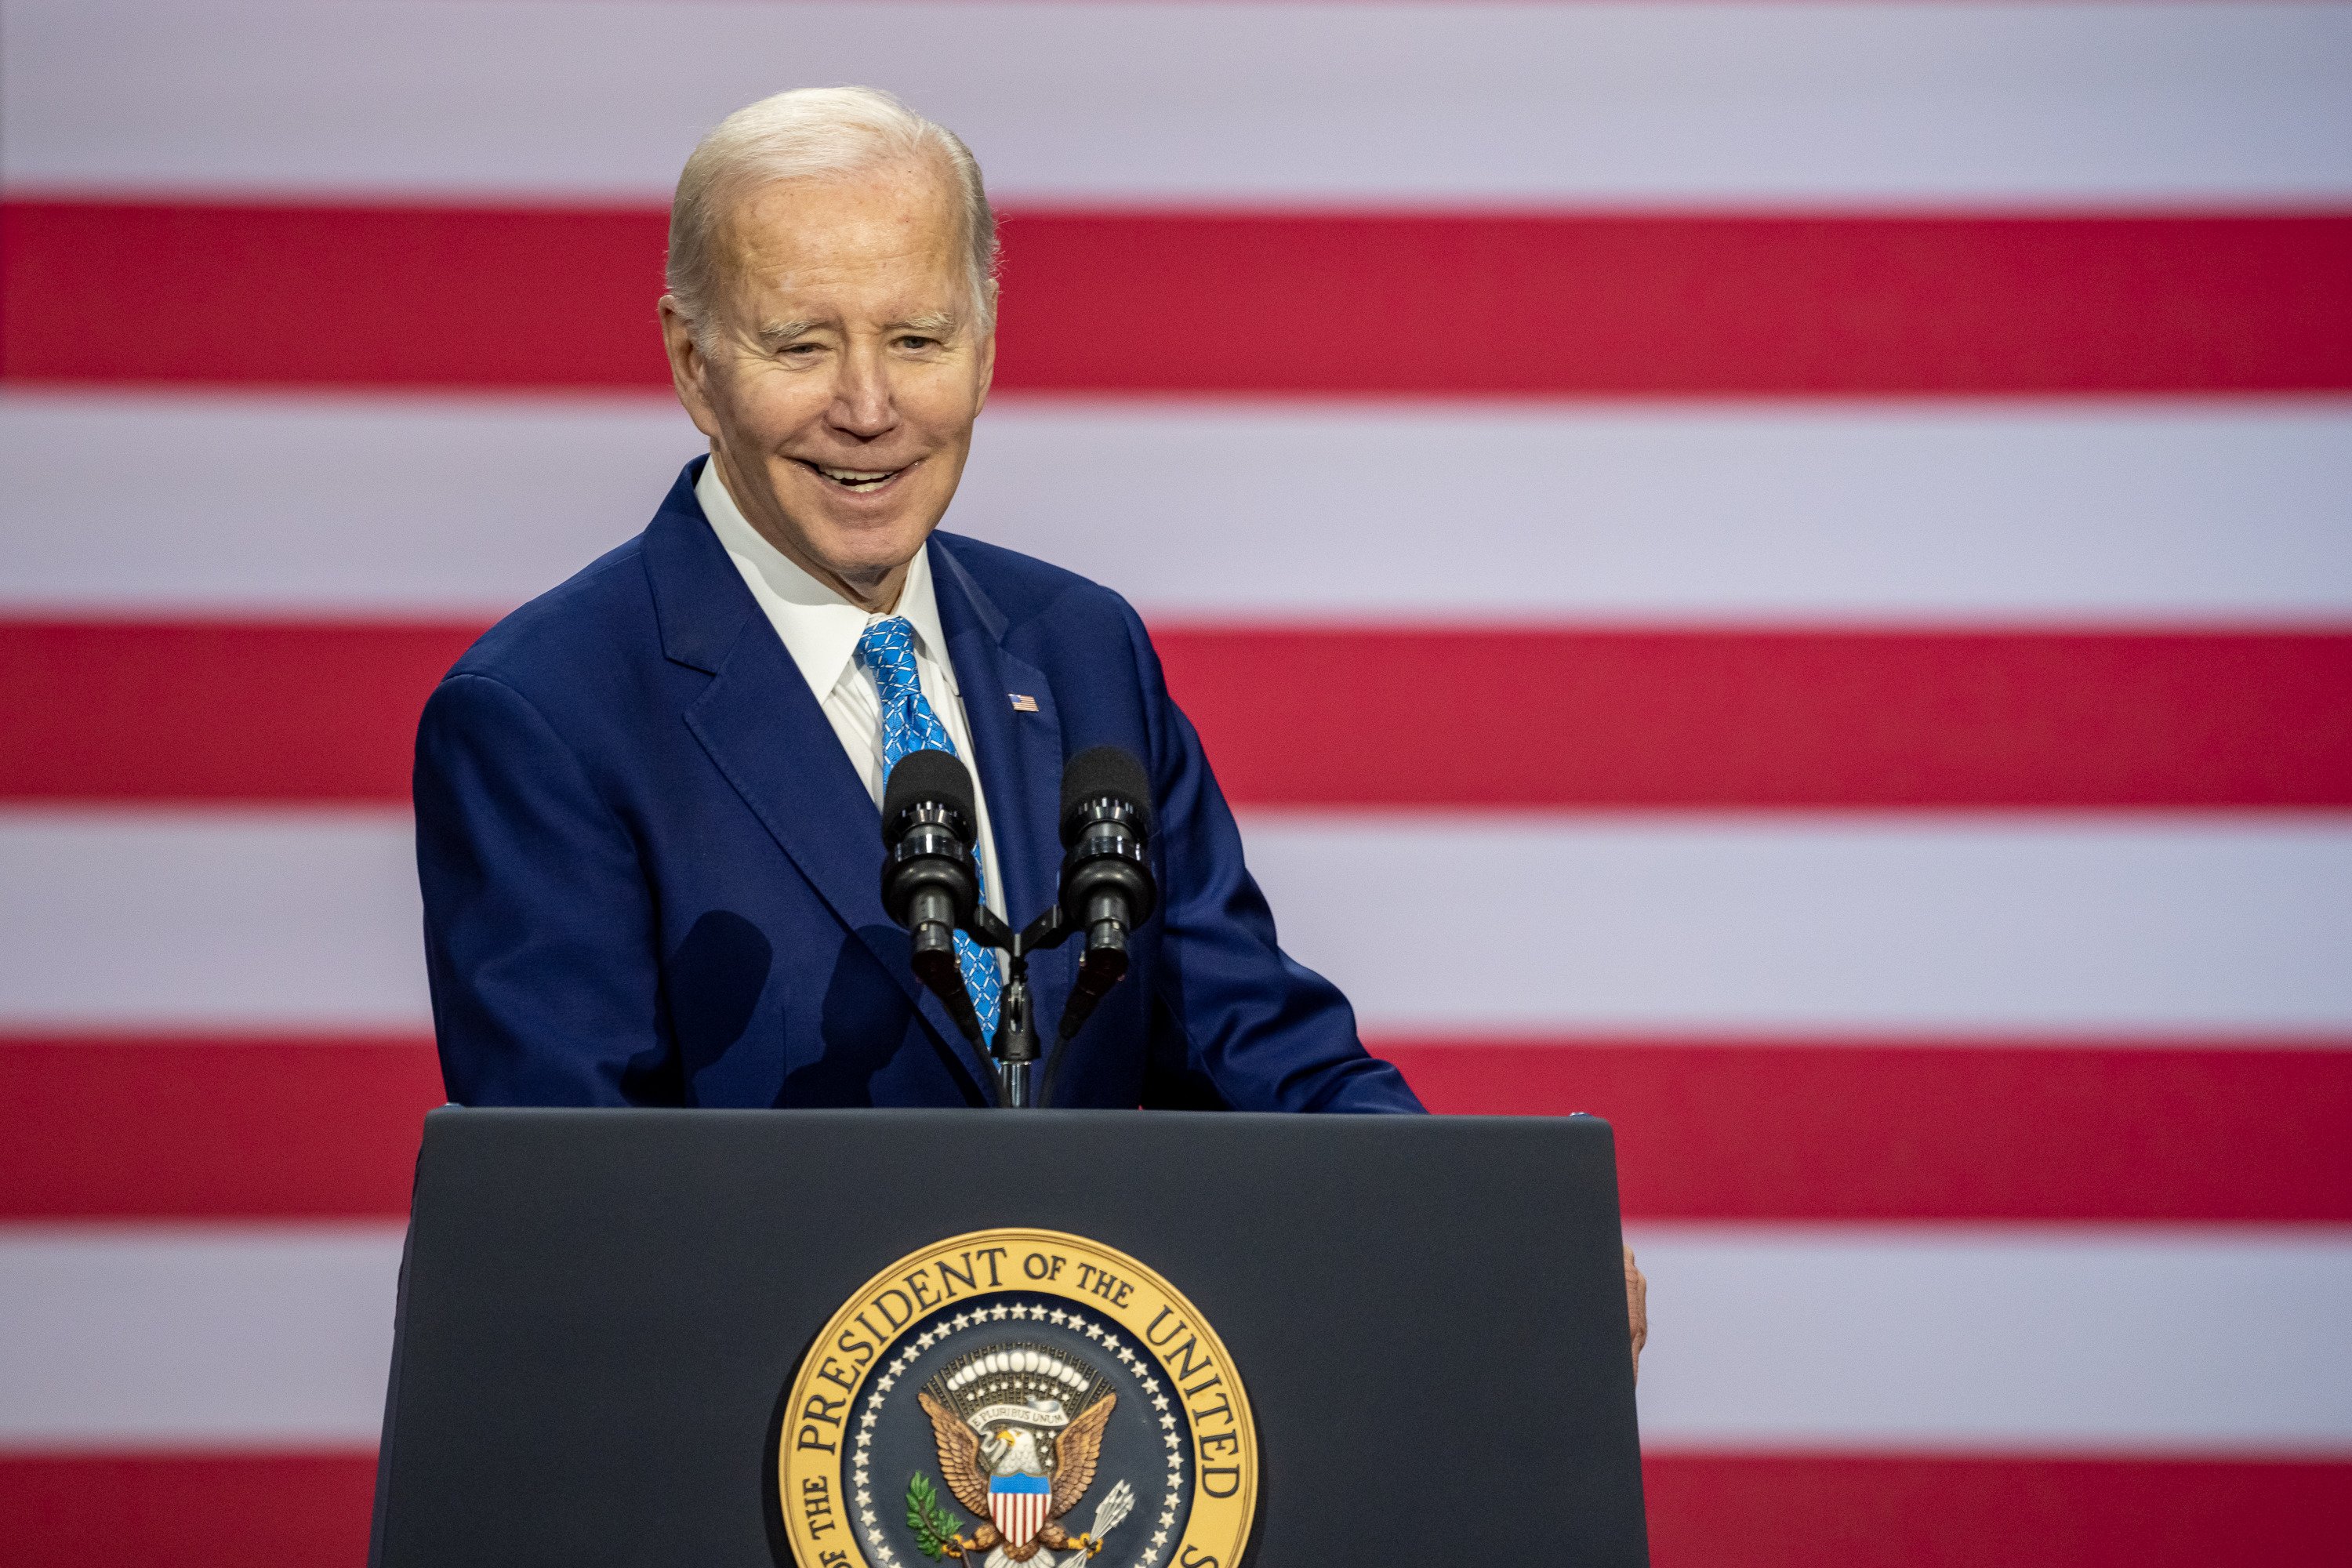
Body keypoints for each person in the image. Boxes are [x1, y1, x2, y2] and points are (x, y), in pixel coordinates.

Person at [411, 86, 1642, 1359]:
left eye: (920, 338)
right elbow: (566, 1209)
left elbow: (1247, 1040)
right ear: (691, 360)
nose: (870, 407)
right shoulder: (546, 717)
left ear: (988, 347)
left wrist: (1489, 1227)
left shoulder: (1079, 645)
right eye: (800, 346)